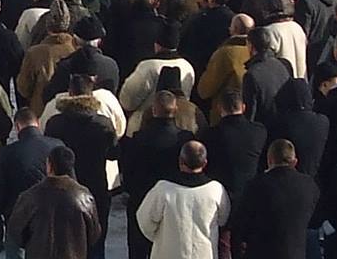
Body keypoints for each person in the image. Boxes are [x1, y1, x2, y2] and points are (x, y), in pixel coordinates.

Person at [45, 74, 120, 258]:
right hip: (96, 188)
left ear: (70, 93)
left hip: (64, 189)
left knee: (66, 240)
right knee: (96, 239)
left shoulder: (55, 123)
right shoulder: (103, 124)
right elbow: (113, 154)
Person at [121, 91, 194, 259]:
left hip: (141, 199)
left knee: (138, 250)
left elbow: (127, 173)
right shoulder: (184, 138)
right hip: (174, 202)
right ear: (175, 110)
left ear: (154, 110)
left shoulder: (138, 139)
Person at [0, 107, 66, 259]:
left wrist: (4, 213)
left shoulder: (6, 153)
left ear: (17, 126)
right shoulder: (57, 146)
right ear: (37, 123)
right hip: (52, 217)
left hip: (17, 219)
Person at [197, 91, 267, 257]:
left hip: (222, 197)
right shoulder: (259, 131)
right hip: (250, 195)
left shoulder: (210, 135)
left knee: (223, 246)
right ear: (243, 107)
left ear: (221, 109)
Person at [137, 141, 231, 259]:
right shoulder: (216, 190)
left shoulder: (163, 189)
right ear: (205, 163)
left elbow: (145, 220)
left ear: (180, 161)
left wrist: (160, 238)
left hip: (169, 253)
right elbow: (223, 219)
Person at [7, 145, 102, 259]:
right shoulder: (84, 196)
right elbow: (94, 234)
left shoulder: (30, 196)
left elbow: (15, 232)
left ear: (49, 166)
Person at [233, 139, 320, 259]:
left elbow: (240, 226)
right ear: (294, 162)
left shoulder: (255, 185)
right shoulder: (310, 185)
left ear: (269, 160)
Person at [119, 22, 194, 136]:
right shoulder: (187, 67)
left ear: (157, 45)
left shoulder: (148, 67)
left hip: (144, 128)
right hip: (180, 126)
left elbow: (127, 100)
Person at [17, 0, 77, 116]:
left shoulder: (35, 53)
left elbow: (23, 88)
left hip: (41, 112)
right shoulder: (76, 49)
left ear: (47, 26)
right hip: (71, 113)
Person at [198, 13, 254, 125]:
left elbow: (205, 90)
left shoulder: (225, 53)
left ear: (234, 29)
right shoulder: (256, 51)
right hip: (251, 114)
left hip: (227, 113)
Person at [242, 26, 293, 127]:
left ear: (250, 46)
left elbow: (250, 113)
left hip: (265, 127)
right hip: (284, 124)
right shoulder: (282, 65)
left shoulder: (251, 75)